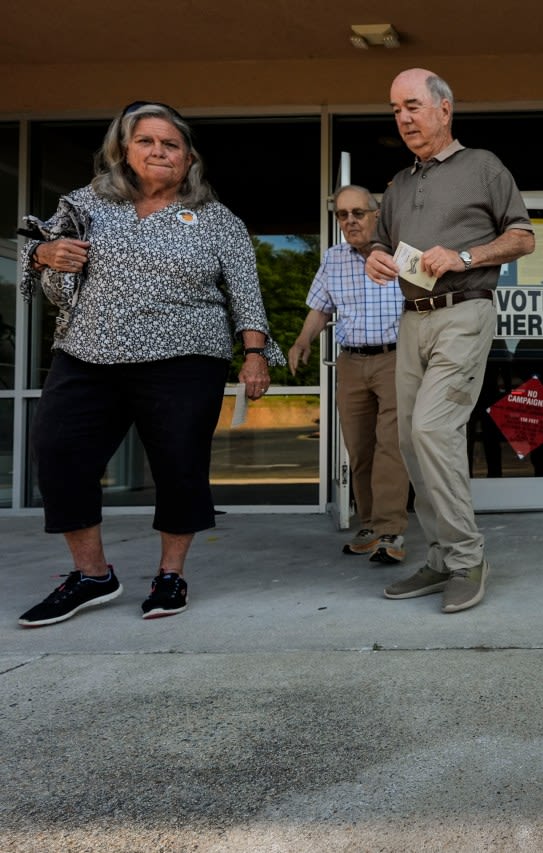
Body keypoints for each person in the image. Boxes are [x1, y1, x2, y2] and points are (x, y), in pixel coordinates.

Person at [17, 101, 283, 628]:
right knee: (59, 454)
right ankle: (92, 575)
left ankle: (170, 574)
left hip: (185, 358)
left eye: (171, 145)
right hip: (88, 353)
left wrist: (254, 355)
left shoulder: (216, 219)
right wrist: (44, 256)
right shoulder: (88, 203)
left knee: (179, 468)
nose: (159, 152)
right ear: (124, 149)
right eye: (147, 142)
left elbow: (247, 296)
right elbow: (41, 250)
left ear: (188, 158)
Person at [365, 68, 535, 613]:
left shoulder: (483, 166)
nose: (404, 119)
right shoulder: (400, 184)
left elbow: (523, 236)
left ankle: (466, 558)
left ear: (444, 108)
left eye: (412, 106)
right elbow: (382, 244)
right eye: (395, 110)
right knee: (412, 442)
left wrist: (465, 256)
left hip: (464, 311)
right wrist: (374, 256)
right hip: (411, 317)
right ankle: (440, 556)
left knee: (433, 429)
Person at [288, 185, 410, 564]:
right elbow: (320, 307)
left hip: (394, 358)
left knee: (391, 445)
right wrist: (303, 339)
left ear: (376, 215)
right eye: (343, 214)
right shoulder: (334, 258)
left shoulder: (400, 254)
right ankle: (371, 523)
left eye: (358, 212)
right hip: (352, 362)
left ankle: (391, 530)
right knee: (359, 448)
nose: (351, 220)